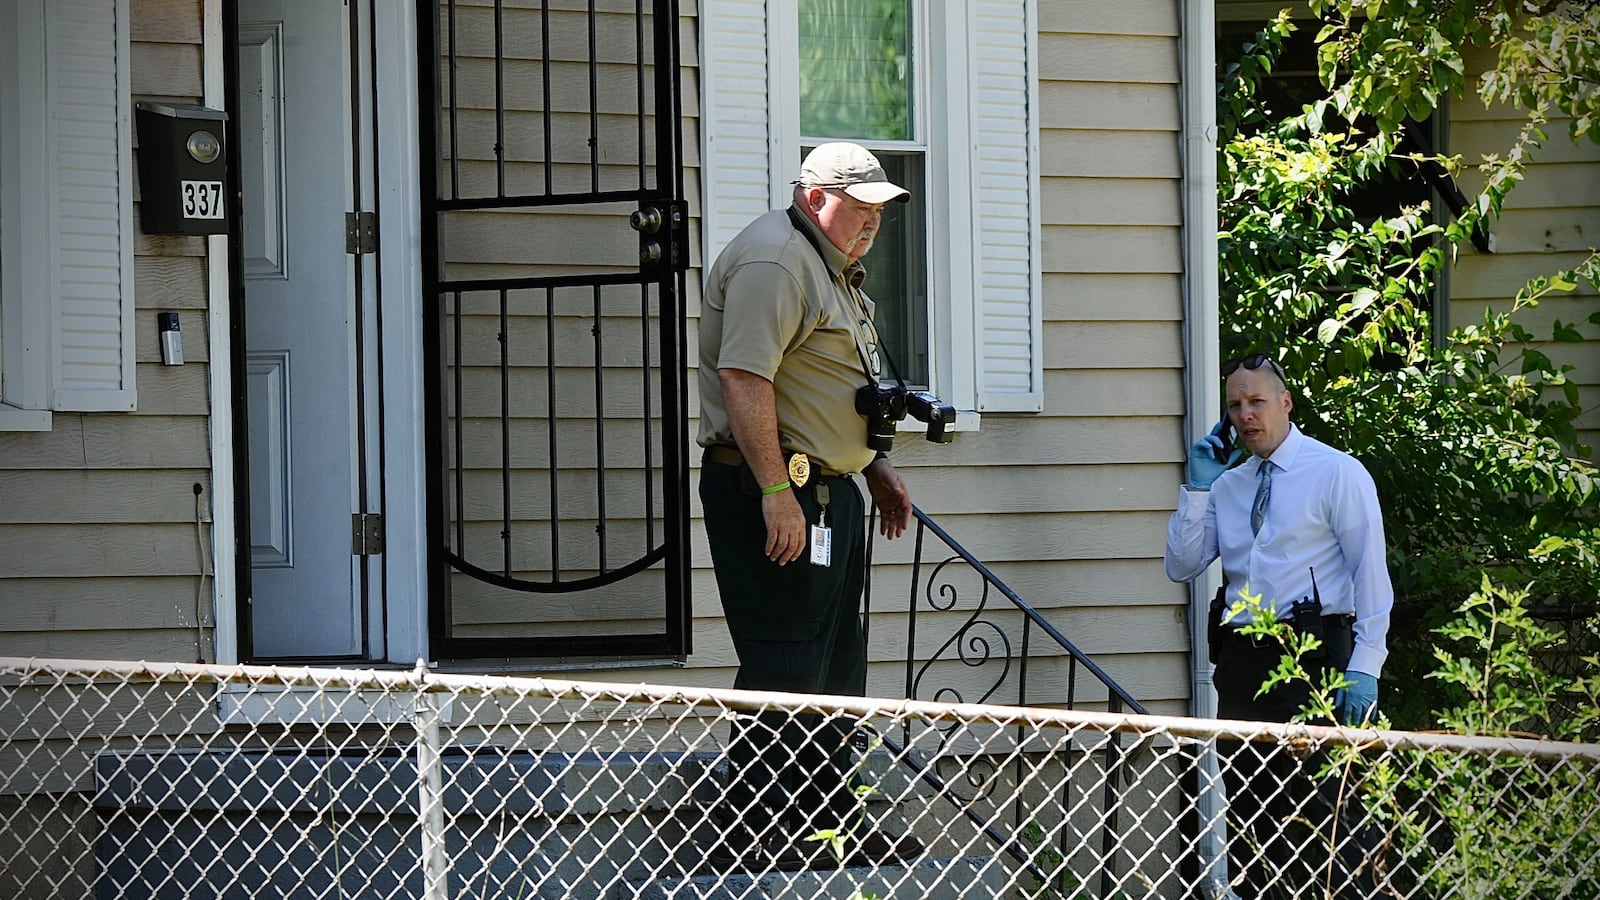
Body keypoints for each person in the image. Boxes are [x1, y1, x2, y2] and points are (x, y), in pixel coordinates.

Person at [696, 142, 922, 870]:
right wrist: (775, 493)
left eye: (880, 214)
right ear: (815, 195)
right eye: (861, 210)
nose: (871, 226)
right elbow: (745, 378)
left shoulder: (830, 268)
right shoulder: (777, 260)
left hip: (828, 490)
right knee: (786, 661)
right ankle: (752, 831)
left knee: (835, 665)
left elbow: (825, 384)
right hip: (775, 489)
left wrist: (876, 465)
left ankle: (829, 825)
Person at [1164, 353, 1392, 899]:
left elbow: (1371, 576)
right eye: (1235, 405)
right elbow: (1182, 564)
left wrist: (1365, 665)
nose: (1245, 416)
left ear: (1285, 403)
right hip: (1243, 661)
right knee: (1249, 805)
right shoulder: (1228, 484)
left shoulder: (1335, 471)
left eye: (1257, 402)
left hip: (1314, 654)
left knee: (1329, 805)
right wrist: (1197, 488)